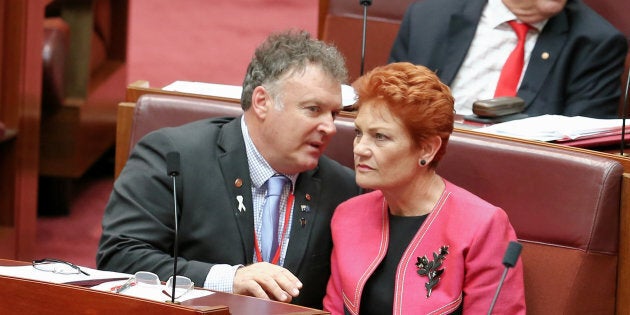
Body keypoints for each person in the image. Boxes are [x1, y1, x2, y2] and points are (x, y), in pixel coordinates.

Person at [97, 30, 362, 309]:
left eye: (333, 114)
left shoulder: (343, 187)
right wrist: (228, 279)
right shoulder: (175, 157)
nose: (330, 128)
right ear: (262, 102)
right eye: (313, 109)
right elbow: (120, 258)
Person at [323, 62, 526, 314]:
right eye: (359, 132)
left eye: (380, 137)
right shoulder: (348, 215)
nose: (360, 148)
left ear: (427, 149)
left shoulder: (483, 225)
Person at [390, 0, 628, 118]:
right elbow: (390, 108)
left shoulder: (594, 43)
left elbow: (583, 148)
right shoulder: (429, 16)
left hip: (521, 176)